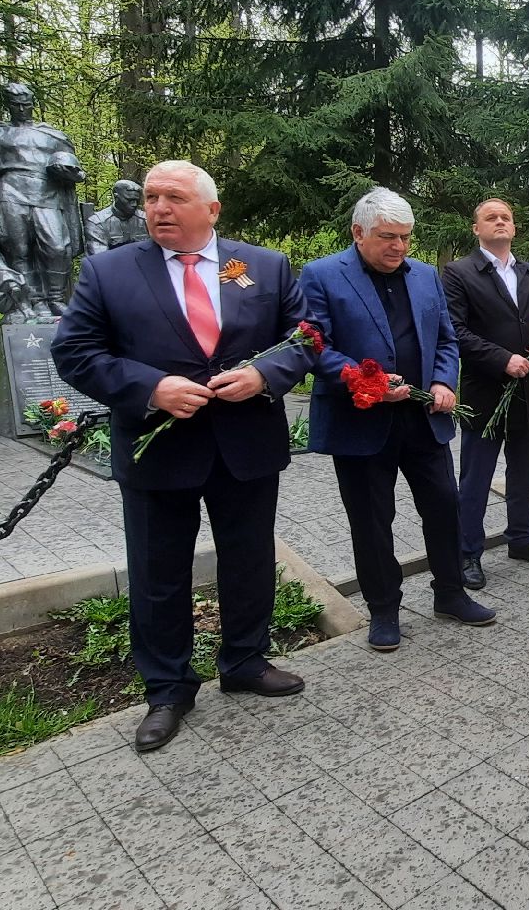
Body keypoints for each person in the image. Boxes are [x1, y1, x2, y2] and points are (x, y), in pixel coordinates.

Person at [53, 160, 313, 752]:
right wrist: (150, 388)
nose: (158, 208)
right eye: (151, 198)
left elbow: (306, 339)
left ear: (211, 210)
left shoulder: (263, 266)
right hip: (159, 450)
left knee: (247, 560)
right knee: (157, 574)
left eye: (173, 197)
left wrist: (263, 374)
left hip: (245, 445)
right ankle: (168, 689)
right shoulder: (108, 271)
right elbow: (75, 351)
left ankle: (245, 661)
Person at [299, 189, 496, 650]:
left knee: (444, 506)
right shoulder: (323, 275)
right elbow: (312, 344)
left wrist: (446, 382)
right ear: (358, 233)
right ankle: (384, 609)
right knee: (371, 520)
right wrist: (363, 381)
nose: (399, 247)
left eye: (406, 238)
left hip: (423, 416)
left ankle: (450, 593)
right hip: (361, 420)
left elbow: (447, 339)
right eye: (388, 237)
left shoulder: (426, 276)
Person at [442, 198, 529, 590]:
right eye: (490, 217)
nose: (499, 222)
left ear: (514, 227)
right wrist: (502, 359)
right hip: (485, 394)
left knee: (523, 472)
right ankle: (467, 553)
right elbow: (455, 332)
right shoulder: (458, 273)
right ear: (476, 229)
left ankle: (522, 538)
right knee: (476, 476)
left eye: (506, 217)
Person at [0, 82, 86, 320]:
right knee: (19, 251)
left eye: (26, 104)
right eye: (16, 105)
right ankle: (35, 302)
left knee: (57, 247)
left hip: (47, 194)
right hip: (10, 193)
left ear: (33, 104)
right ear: (9, 106)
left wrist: (72, 174)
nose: (22, 109)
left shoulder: (52, 135)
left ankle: (56, 299)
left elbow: (75, 169)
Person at [85, 179, 148, 253]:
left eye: (136, 200)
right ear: (116, 197)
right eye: (129, 200)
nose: (134, 204)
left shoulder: (146, 220)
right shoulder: (97, 223)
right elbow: (99, 259)